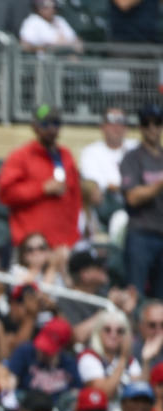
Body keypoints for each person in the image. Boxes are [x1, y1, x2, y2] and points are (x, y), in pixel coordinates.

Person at [0, 104, 82, 250]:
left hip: (63, 244)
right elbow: (6, 194)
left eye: (56, 123)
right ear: (34, 126)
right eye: (45, 124)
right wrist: (41, 188)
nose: (51, 129)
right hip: (32, 248)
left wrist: (73, 236)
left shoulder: (66, 156)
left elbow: (75, 198)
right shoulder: (21, 156)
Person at [121, 104, 163, 299]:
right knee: (135, 295)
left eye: (158, 123)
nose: (153, 128)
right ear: (140, 127)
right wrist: (159, 185)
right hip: (141, 235)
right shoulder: (132, 157)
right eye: (147, 123)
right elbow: (132, 197)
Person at [7, 316, 81, 401]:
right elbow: (10, 383)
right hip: (27, 406)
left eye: (48, 351)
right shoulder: (25, 351)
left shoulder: (68, 363)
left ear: (61, 348)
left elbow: (76, 392)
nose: (42, 352)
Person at [77, 309, 140, 401]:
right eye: (107, 330)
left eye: (119, 331)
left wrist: (147, 360)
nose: (113, 335)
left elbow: (139, 390)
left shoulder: (130, 360)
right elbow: (103, 394)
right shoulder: (88, 357)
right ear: (98, 332)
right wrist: (123, 359)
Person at [79, 107, 139, 195]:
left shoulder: (137, 147)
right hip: (106, 201)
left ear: (127, 127)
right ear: (102, 127)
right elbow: (96, 186)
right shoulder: (90, 152)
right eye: (111, 121)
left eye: (121, 121)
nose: (116, 127)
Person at [134, 299, 163, 372]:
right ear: (141, 326)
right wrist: (146, 361)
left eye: (162, 325)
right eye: (152, 325)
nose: (158, 330)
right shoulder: (130, 350)